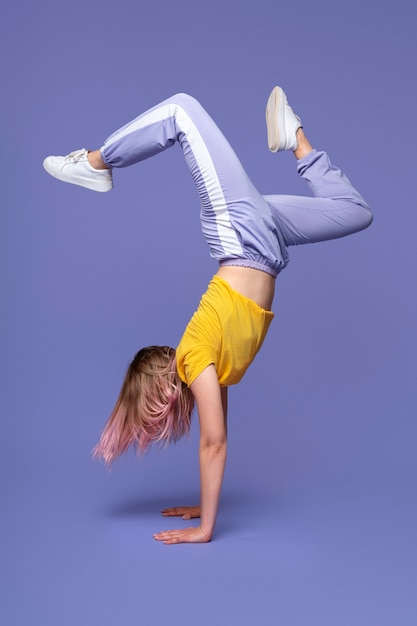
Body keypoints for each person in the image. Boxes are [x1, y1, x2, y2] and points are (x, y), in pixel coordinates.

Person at [43, 86, 373, 544]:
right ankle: (293, 135)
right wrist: (206, 503)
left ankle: (95, 163)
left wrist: (205, 528)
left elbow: (212, 442)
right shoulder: (209, 370)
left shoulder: (195, 358)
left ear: (162, 381)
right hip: (267, 244)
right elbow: (217, 436)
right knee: (356, 212)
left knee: (181, 109)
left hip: (240, 237)